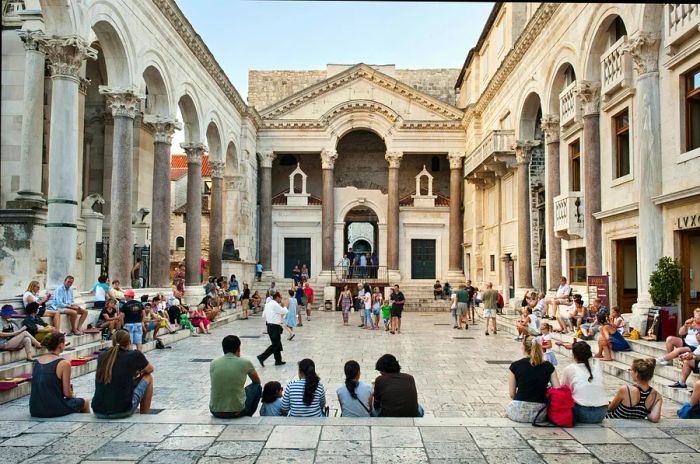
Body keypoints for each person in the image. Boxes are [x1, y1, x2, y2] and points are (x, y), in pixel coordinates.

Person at [92, 330, 154, 419]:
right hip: (122, 410)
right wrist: (139, 371)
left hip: (98, 410)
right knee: (148, 377)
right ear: (129, 342)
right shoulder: (134, 355)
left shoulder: (102, 355)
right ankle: (144, 415)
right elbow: (150, 369)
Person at [29, 332, 90, 417]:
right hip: (53, 409)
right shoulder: (64, 363)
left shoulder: (37, 361)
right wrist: (73, 394)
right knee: (85, 402)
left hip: (35, 409)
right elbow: (67, 394)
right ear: (61, 345)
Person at [506, 334, 559, 423]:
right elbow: (557, 390)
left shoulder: (515, 366)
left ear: (524, 347)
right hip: (539, 414)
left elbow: (512, 394)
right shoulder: (549, 366)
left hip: (518, 412)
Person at [209, 335, 262, 418]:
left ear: (223, 348)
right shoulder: (245, 362)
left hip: (215, 411)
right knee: (257, 387)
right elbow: (257, 382)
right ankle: (247, 415)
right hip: (237, 411)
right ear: (238, 348)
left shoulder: (213, 363)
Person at [558, 341, 608, 423]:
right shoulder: (597, 364)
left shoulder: (570, 368)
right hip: (601, 412)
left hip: (582, 412)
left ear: (574, 355)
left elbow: (563, 388)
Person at [257, 292, 288, 367]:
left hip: (270, 326)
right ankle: (262, 357)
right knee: (275, 344)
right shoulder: (274, 304)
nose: (281, 299)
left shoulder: (268, 304)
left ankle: (278, 360)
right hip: (274, 327)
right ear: (277, 297)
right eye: (280, 297)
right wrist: (285, 306)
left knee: (277, 344)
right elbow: (283, 311)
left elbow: (263, 315)